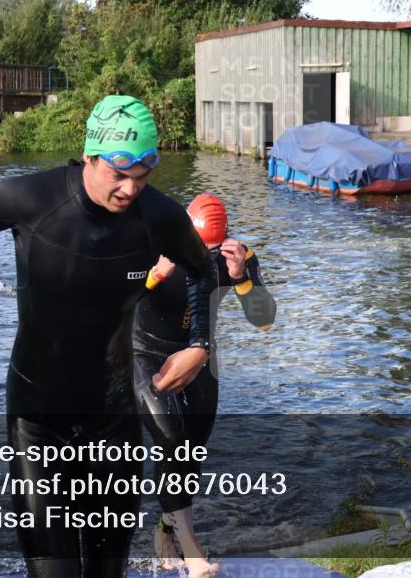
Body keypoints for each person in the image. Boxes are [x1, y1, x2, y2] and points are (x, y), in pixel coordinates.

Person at [0, 94, 216, 578]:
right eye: (118, 175)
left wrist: (198, 347)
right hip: (38, 424)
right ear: (90, 156)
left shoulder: (158, 216)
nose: (129, 191)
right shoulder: (35, 199)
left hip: (112, 421)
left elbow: (201, 271)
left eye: (141, 179)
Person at [133, 193, 276, 578]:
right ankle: (194, 555)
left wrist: (241, 279)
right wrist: (153, 275)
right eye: (199, 247)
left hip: (199, 358)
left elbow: (264, 322)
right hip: (145, 353)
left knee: (191, 454)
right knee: (169, 438)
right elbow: (108, 298)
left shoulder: (235, 256)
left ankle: (164, 531)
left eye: (211, 249)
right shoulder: (154, 243)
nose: (204, 256)